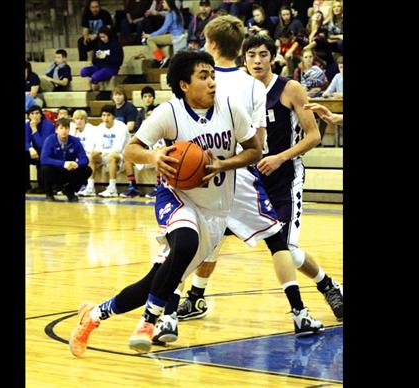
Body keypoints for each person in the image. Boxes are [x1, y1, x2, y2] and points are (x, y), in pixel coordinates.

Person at [69, 50, 261, 357]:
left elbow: (255, 150)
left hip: (216, 209)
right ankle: (148, 323)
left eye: (213, 75)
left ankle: (93, 316)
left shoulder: (230, 108)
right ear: (184, 85)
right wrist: (153, 156)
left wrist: (224, 165)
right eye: (203, 76)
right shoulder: (168, 113)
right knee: (184, 242)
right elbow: (132, 149)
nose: (212, 82)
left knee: (152, 281)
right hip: (176, 197)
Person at [153, 15, 325, 343]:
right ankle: (300, 315)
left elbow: (176, 127)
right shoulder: (252, 85)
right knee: (277, 240)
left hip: (197, 175)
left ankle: (169, 318)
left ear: (212, 44)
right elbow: (257, 144)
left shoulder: (197, 75)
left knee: (181, 247)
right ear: (240, 49)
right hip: (237, 173)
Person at [242, 34, 343, 321]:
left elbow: (313, 137)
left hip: (286, 176)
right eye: (252, 55)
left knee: (286, 248)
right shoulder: (240, 91)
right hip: (251, 179)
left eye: (263, 54)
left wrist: (280, 157)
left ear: (272, 57)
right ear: (244, 59)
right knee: (212, 235)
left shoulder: (290, 88)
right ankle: (193, 297)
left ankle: (327, 287)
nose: (257, 60)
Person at [40, 118, 92, 202]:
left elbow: (85, 159)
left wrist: (76, 164)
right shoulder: (50, 140)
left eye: (66, 128)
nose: (64, 131)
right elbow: (44, 159)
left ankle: (69, 191)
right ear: (56, 130)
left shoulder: (75, 141)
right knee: (45, 168)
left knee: (87, 170)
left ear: (69, 130)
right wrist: (63, 163)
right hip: (55, 170)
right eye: (61, 128)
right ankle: (49, 194)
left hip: (70, 170)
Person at [120, 86, 159, 198]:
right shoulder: (140, 112)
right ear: (142, 99)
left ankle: (159, 186)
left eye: (150, 96)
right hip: (144, 144)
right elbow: (136, 129)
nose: (148, 99)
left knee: (159, 154)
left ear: (154, 98)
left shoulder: (158, 110)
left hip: (156, 142)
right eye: (145, 97)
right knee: (127, 156)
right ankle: (132, 187)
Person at [94, 105, 131, 198]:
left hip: (123, 156)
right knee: (92, 156)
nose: (106, 118)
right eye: (103, 115)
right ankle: (90, 187)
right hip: (105, 154)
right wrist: (99, 153)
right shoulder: (99, 128)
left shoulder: (121, 126)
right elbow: (98, 146)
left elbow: (118, 148)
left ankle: (112, 188)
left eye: (108, 115)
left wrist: (105, 153)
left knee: (112, 156)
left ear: (113, 116)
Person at [142, 0, 185, 68]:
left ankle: (161, 59)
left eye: (164, 2)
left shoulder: (170, 14)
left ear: (168, 3)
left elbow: (164, 29)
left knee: (149, 40)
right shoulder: (177, 12)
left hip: (174, 37)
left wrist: (150, 35)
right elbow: (165, 14)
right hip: (181, 35)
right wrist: (158, 13)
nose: (162, 4)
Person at [80, 26, 124, 91]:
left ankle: (94, 86)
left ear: (108, 35)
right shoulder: (98, 44)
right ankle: (92, 84)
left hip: (111, 68)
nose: (102, 39)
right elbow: (94, 59)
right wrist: (102, 56)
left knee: (95, 76)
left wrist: (104, 56)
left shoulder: (116, 45)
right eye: (100, 37)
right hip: (98, 66)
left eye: (104, 37)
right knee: (84, 71)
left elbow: (118, 61)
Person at [68, 110, 100, 197]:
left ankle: (90, 187)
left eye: (81, 119)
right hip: (79, 155)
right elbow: (70, 147)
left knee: (87, 158)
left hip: (91, 154)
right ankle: (68, 186)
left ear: (85, 120)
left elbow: (90, 148)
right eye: (76, 119)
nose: (78, 121)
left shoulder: (91, 129)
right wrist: (74, 134)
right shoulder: (73, 131)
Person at [25, 105, 55, 193]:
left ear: (41, 115)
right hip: (35, 152)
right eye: (32, 113)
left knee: (42, 157)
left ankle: (43, 187)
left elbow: (43, 146)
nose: (35, 116)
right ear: (29, 116)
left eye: (37, 113)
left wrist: (34, 130)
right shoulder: (27, 125)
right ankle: (26, 186)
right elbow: (25, 141)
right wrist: (30, 148)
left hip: (48, 153)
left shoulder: (48, 125)